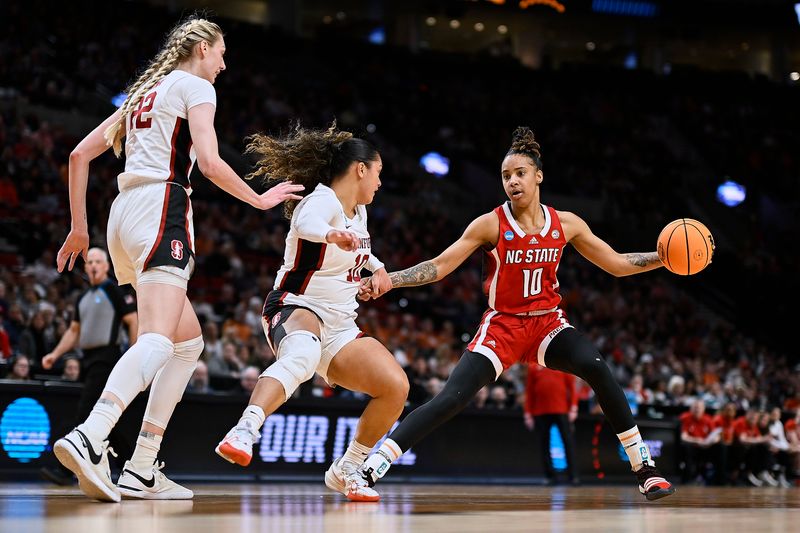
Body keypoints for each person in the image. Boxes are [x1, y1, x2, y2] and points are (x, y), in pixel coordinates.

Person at [52, 17, 303, 503]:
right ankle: (91, 434)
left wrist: (79, 228)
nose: (224, 64)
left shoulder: (144, 91)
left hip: (121, 215)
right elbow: (208, 163)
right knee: (156, 339)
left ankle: (142, 466)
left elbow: (79, 156)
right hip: (162, 207)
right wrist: (259, 199)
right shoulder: (194, 87)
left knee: (188, 344)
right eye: (222, 53)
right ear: (202, 47)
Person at [357, 127, 675, 501]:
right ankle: (373, 466)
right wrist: (389, 280)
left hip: (547, 324)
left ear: (538, 175)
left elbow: (618, 264)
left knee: (597, 366)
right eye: (506, 176)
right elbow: (441, 265)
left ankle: (645, 469)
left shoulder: (567, 223)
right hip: (503, 326)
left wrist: (663, 258)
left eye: (520, 173)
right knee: (452, 397)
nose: (512, 181)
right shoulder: (490, 223)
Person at [214, 123, 409, 503]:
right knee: (301, 356)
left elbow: (360, 251)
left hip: (339, 323)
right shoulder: (321, 201)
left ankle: (347, 468)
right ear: (361, 169)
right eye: (379, 173)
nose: (381, 183)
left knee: (395, 387)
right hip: (295, 304)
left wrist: (378, 268)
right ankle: (244, 430)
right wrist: (331, 235)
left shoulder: (359, 211)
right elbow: (306, 223)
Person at [40, 248, 137, 486]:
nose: (93, 265)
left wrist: (135, 355)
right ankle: (132, 467)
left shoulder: (114, 290)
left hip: (108, 359)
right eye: (90, 262)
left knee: (85, 412)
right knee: (107, 420)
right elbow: (74, 332)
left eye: (98, 262)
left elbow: (133, 320)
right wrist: (55, 354)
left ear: (106, 266)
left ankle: (68, 470)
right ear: (85, 268)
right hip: (89, 360)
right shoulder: (82, 298)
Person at [524, 364, 579, 485]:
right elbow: (529, 391)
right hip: (540, 411)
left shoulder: (562, 363)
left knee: (568, 442)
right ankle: (550, 476)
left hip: (561, 410)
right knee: (544, 444)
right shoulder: (533, 366)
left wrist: (574, 408)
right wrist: (528, 413)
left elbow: (572, 388)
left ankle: (573, 475)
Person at [678, 399, 718, 484]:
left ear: (703, 409)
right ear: (691, 409)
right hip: (692, 447)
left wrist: (710, 442)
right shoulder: (686, 418)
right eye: (695, 407)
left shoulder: (708, 419)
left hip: (706, 448)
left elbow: (716, 436)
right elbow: (684, 437)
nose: (697, 410)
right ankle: (688, 479)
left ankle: (719, 479)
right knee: (686, 447)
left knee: (720, 446)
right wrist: (696, 440)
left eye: (699, 408)